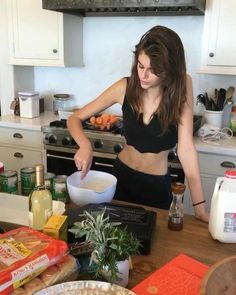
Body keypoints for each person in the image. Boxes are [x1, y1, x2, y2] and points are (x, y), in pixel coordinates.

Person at [67, 25, 209, 222]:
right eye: (140, 66)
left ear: (170, 70)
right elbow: (74, 118)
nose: (143, 75)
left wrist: (200, 208)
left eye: (153, 70)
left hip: (157, 187)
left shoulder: (181, 88)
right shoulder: (125, 87)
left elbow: (186, 150)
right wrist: (84, 144)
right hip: (121, 179)